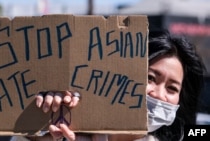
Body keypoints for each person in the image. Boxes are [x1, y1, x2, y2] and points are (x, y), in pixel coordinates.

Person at [11, 29, 206, 141]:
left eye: (172, 88)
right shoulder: (71, 130)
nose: (158, 94)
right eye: (150, 78)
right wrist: (37, 128)